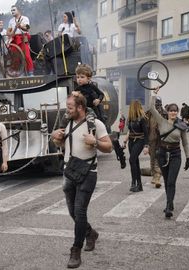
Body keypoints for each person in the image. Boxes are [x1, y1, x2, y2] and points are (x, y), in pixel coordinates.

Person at [51, 93, 112, 269]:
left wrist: (95, 142)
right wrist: (56, 138)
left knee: (79, 210)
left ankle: (75, 250)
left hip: (88, 172)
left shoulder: (96, 124)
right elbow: (63, 146)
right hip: (69, 171)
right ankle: (90, 233)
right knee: (73, 213)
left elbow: (108, 147)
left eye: (70, 107)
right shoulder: (68, 123)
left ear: (80, 108)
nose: (66, 111)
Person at [71, 64, 126, 169]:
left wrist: (98, 100)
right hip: (85, 113)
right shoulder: (78, 89)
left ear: (88, 78)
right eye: (78, 77)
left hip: (96, 112)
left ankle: (120, 153)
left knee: (105, 134)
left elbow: (101, 94)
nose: (79, 79)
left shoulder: (92, 86)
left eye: (82, 77)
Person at [151, 88, 189, 219]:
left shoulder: (181, 125)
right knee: (167, 180)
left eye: (175, 111)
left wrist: (188, 157)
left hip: (175, 154)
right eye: (171, 110)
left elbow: (185, 142)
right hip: (162, 153)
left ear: (177, 112)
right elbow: (151, 108)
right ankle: (170, 202)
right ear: (167, 112)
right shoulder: (161, 120)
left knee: (171, 181)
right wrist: (154, 94)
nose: (173, 112)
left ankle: (168, 206)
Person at [123, 100, 149, 192]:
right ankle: (139, 185)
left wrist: (146, 146)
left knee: (132, 160)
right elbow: (129, 131)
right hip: (131, 141)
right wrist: (125, 141)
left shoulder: (142, 118)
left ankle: (134, 183)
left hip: (140, 140)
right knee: (135, 162)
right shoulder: (130, 118)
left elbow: (146, 133)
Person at [144, 96, 167, 188]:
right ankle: (154, 176)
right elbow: (145, 126)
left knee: (158, 158)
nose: (158, 105)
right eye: (156, 103)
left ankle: (157, 177)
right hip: (150, 139)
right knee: (152, 158)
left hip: (160, 139)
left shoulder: (164, 113)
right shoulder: (148, 113)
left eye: (159, 103)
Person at [7, 5, 34, 76]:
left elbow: (27, 28)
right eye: (11, 10)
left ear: (18, 10)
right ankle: (16, 72)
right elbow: (8, 32)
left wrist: (20, 26)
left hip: (23, 38)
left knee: (27, 55)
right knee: (14, 56)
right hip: (15, 39)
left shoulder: (25, 18)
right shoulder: (11, 21)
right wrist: (12, 32)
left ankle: (30, 72)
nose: (12, 12)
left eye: (14, 10)